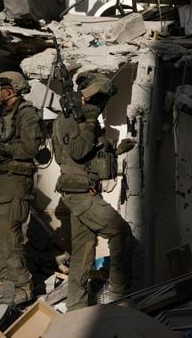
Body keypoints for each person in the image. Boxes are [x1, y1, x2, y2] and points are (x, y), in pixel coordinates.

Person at [52, 72, 135, 310]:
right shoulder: (70, 118)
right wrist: (89, 123)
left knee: (84, 251)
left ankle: (76, 307)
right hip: (79, 193)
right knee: (120, 232)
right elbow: (77, 151)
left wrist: (117, 151)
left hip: (84, 191)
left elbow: (90, 156)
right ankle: (120, 297)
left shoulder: (84, 118)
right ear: (88, 97)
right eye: (99, 99)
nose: (101, 105)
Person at [0, 71, 42, 305]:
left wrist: (1, 150)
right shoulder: (0, 114)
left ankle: (23, 286)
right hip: (0, 180)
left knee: (10, 233)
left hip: (15, 181)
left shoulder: (26, 114)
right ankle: (7, 282)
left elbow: (30, 149)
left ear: (11, 89)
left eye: (1, 88)